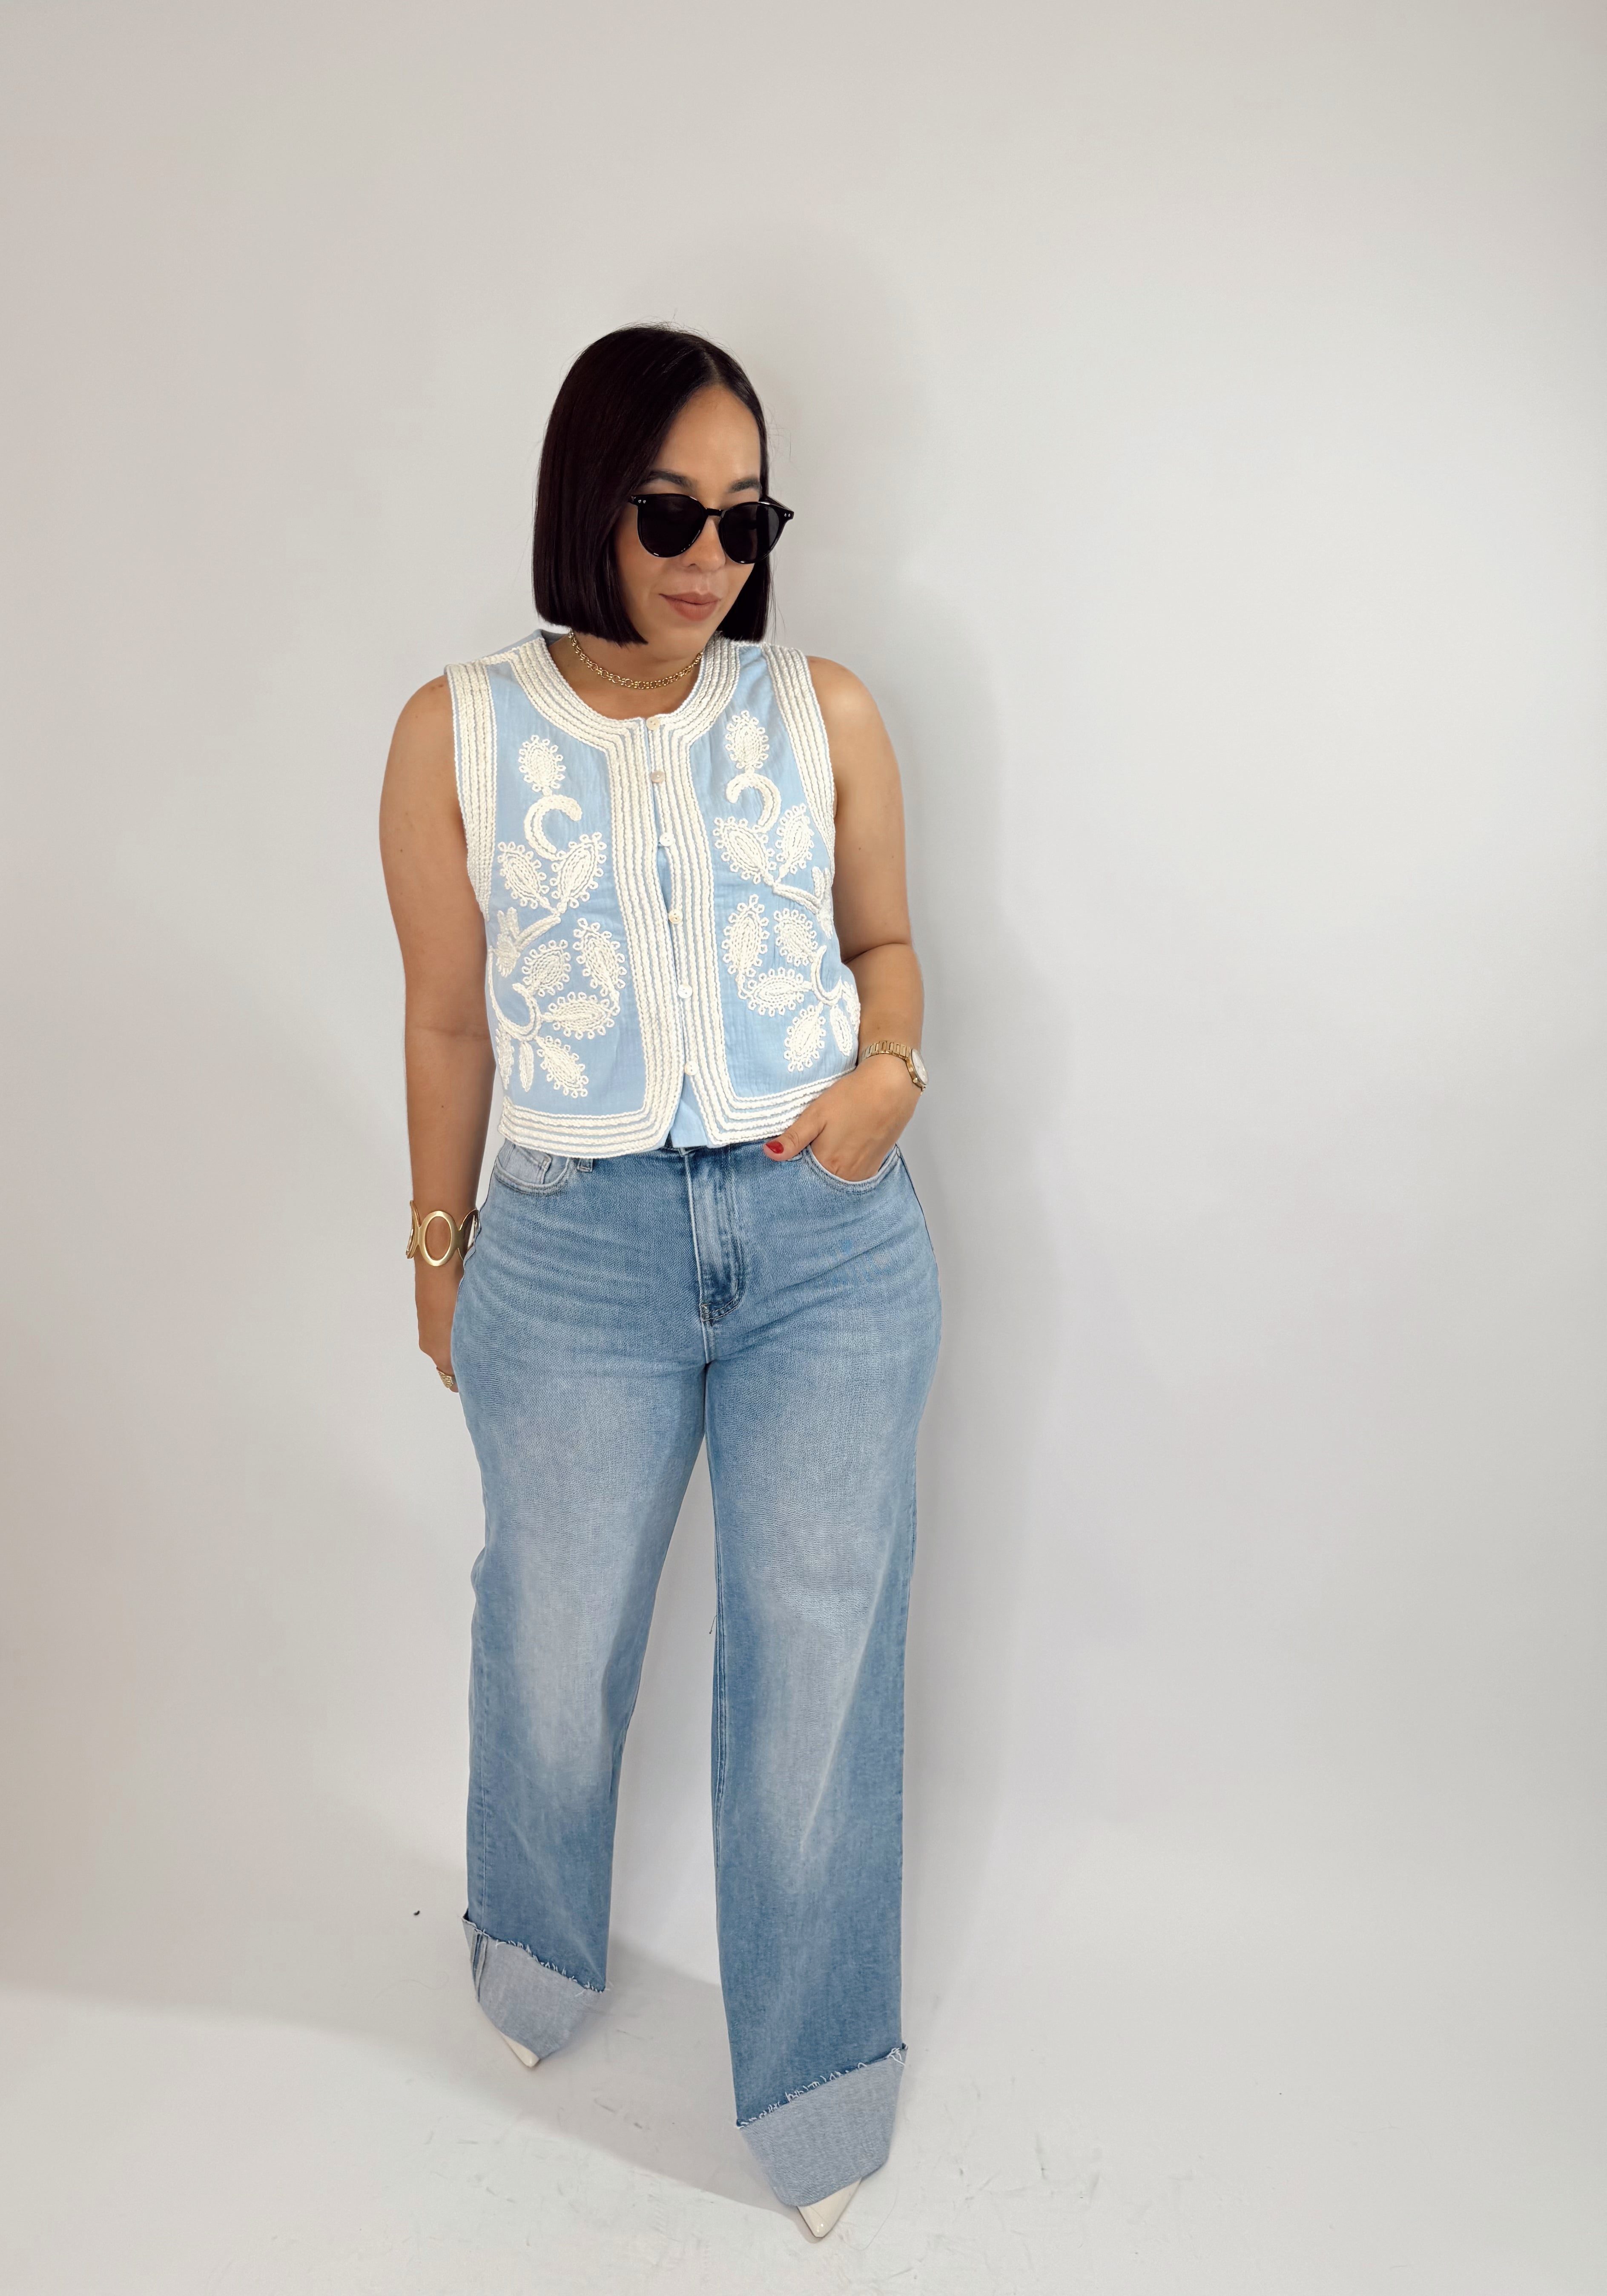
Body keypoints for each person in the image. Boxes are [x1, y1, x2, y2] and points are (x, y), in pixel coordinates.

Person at [379, 325, 940, 2240]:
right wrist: (439, 1247)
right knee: (550, 1632)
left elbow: (884, 945)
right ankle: (533, 1948)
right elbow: (445, 1020)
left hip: (825, 1243)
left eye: (746, 518)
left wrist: (889, 1075)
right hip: (570, 1251)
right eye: (670, 512)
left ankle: (818, 2080)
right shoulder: (455, 729)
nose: (712, 555)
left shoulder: (823, 710)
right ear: (587, 505)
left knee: (817, 1655)